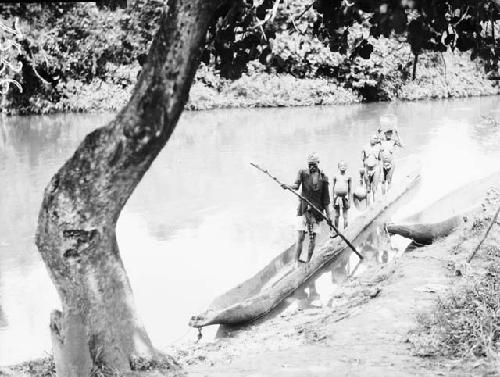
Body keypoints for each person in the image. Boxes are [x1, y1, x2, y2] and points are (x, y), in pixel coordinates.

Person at [282, 153, 331, 264]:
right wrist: (287, 186)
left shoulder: (323, 179)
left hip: (316, 212)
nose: (311, 167)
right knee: (300, 237)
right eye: (309, 165)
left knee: (312, 238)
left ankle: (308, 262)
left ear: (318, 164)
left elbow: (326, 200)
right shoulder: (303, 173)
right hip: (303, 209)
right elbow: (296, 186)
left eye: (313, 165)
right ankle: (296, 262)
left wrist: (329, 217)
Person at [378, 114, 403, 194]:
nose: (389, 135)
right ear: (384, 134)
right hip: (382, 164)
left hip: (391, 164)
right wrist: (378, 132)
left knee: (389, 180)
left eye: (390, 133)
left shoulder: (393, 141)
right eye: (387, 133)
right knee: (382, 181)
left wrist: (397, 134)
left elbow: (402, 145)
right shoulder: (381, 141)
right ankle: (383, 196)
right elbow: (373, 142)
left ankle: (388, 196)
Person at [361, 135, 381, 205]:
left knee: (374, 189)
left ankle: (375, 206)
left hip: (376, 169)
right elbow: (362, 160)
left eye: (376, 138)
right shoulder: (364, 147)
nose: (374, 140)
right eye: (373, 138)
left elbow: (380, 159)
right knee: (368, 189)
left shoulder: (379, 147)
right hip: (367, 169)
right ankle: (368, 207)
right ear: (369, 138)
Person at [332, 161, 352, 229]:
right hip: (336, 197)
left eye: (344, 166)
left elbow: (349, 189)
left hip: (345, 197)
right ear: (338, 167)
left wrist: (349, 200)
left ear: (346, 167)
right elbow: (333, 188)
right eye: (341, 166)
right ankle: (336, 230)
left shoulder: (348, 177)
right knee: (336, 215)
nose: (342, 167)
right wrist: (332, 200)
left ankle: (345, 231)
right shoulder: (335, 176)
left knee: (345, 216)